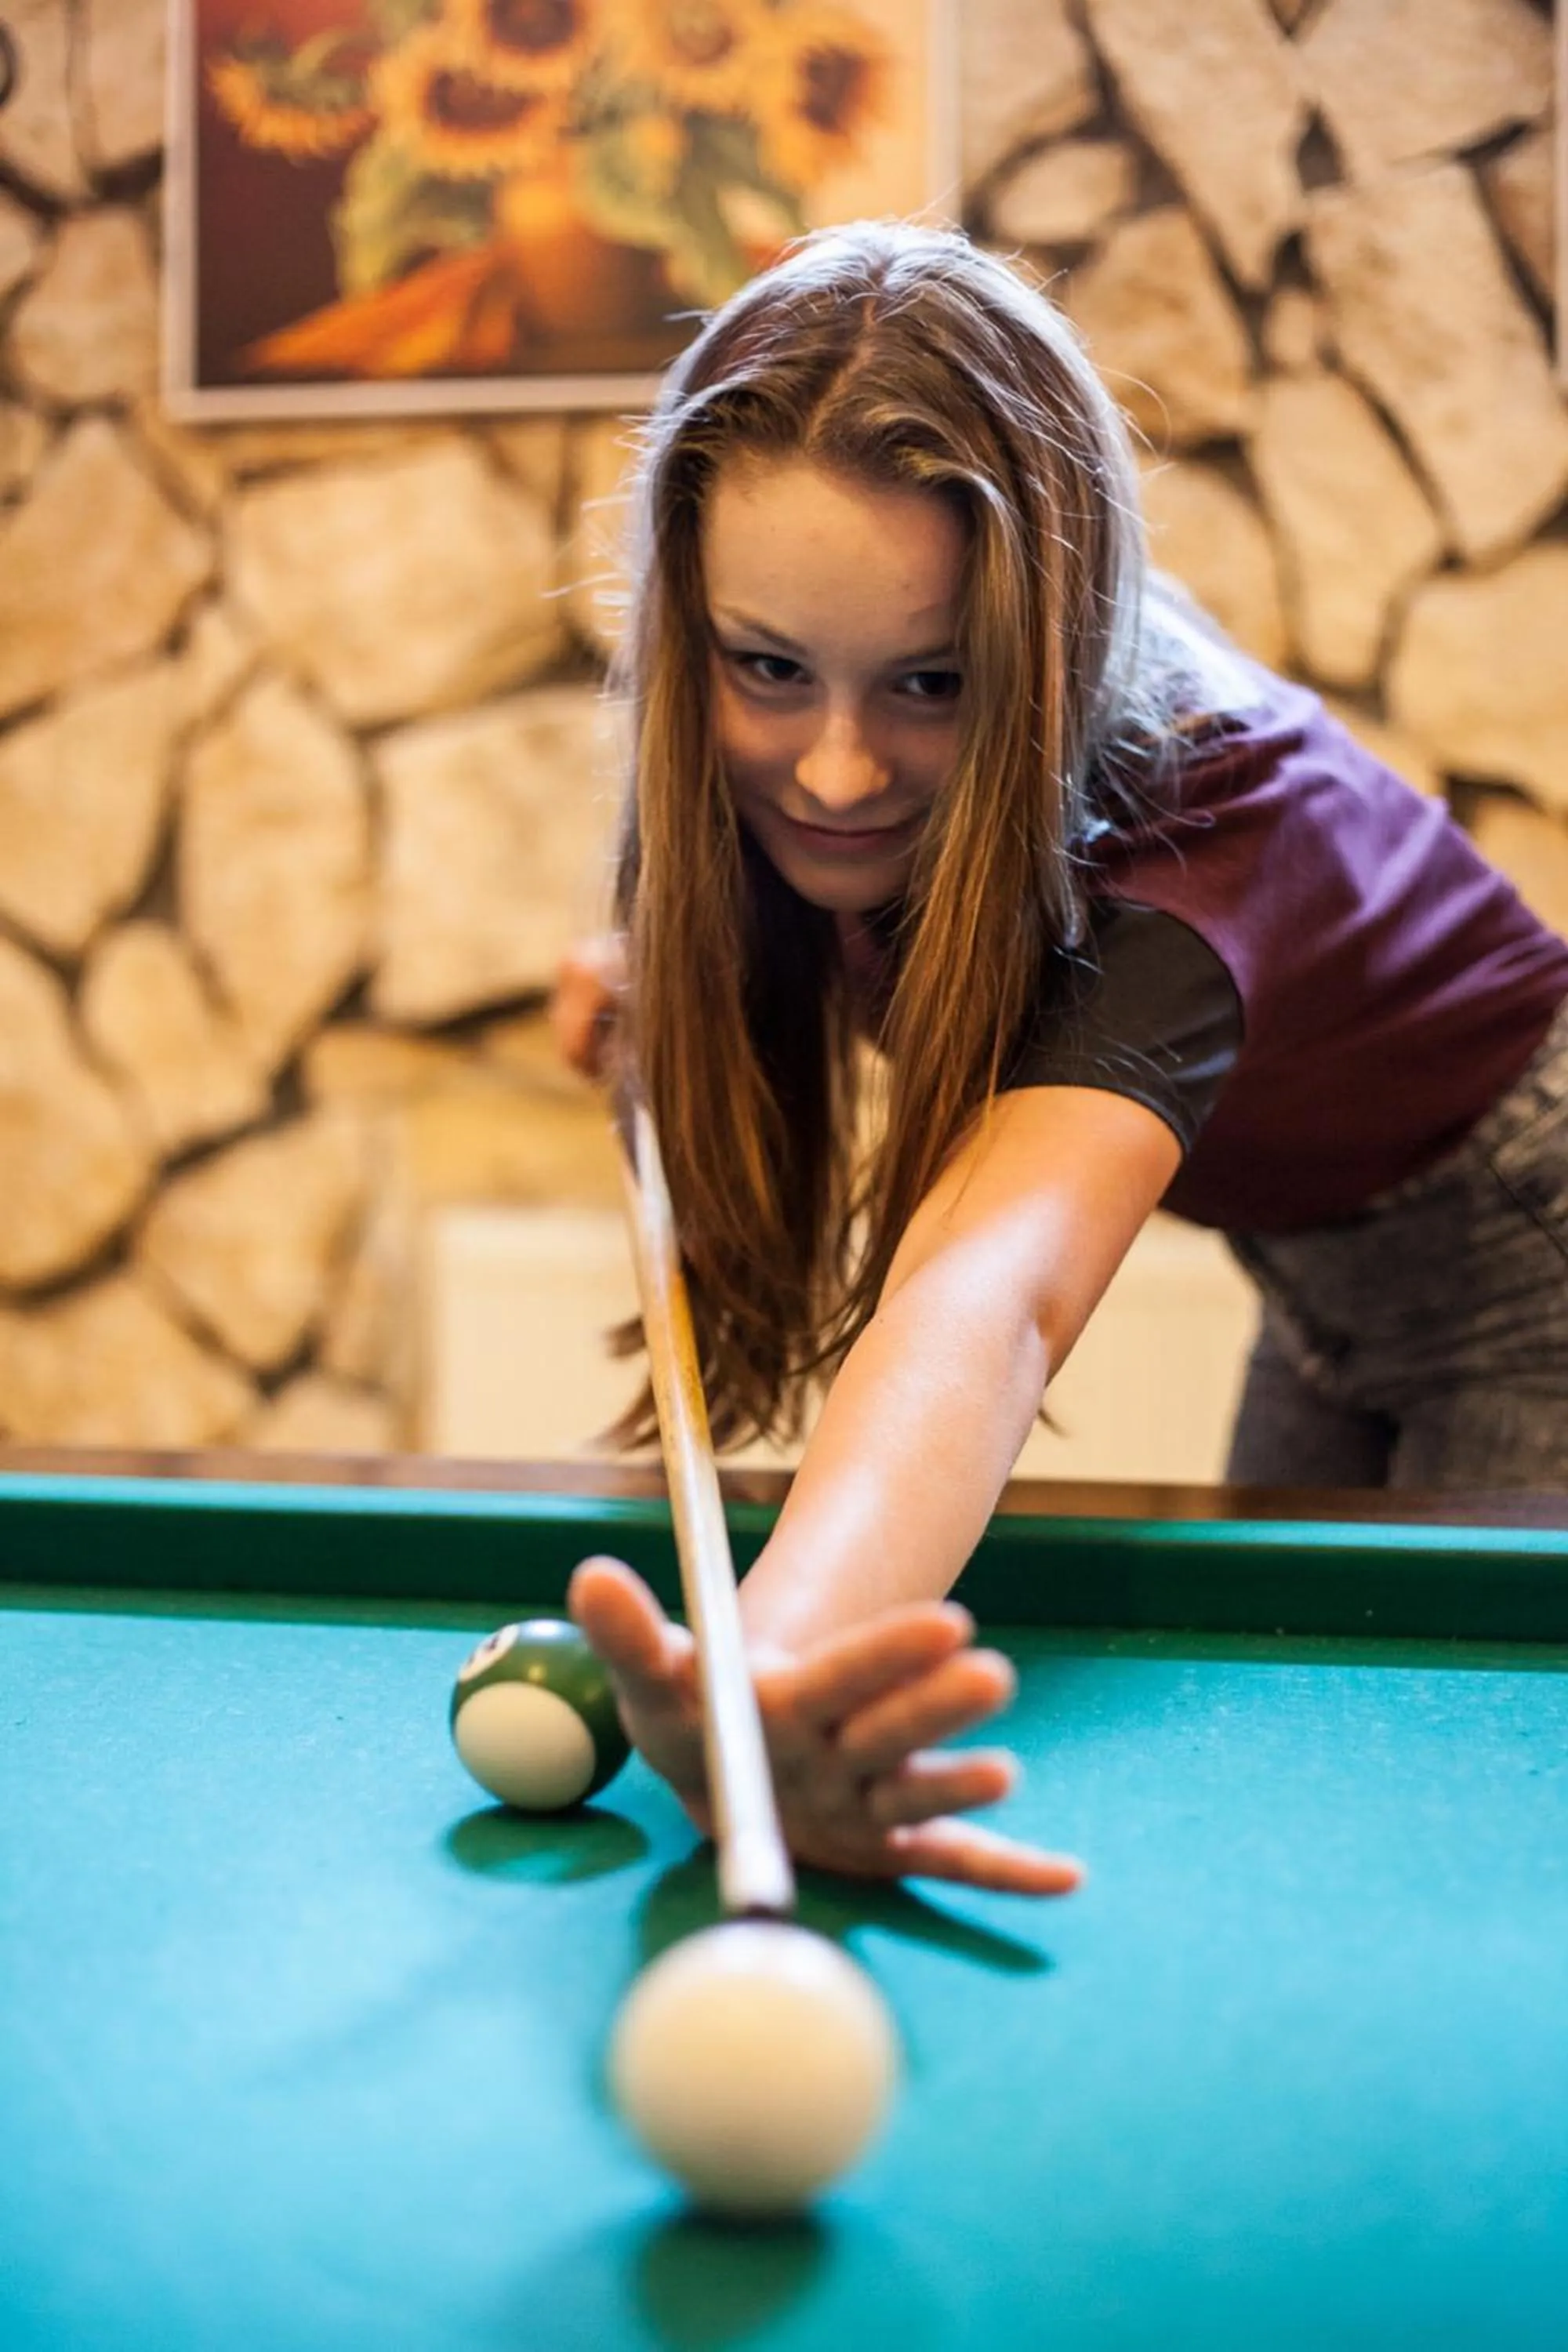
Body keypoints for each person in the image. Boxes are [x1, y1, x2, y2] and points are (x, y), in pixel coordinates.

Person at [551, 221, 1568, 1894]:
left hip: (1536, 1260)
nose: (833, 770)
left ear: (1045, 644)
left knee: (1449, 1849)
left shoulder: (1187, 840)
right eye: (768, 670)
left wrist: (773, 1676)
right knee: (1309, 1781)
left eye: (932, 683)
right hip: (1327, 1287)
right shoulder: (843, 788)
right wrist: (647, 971)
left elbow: (988, 1290)